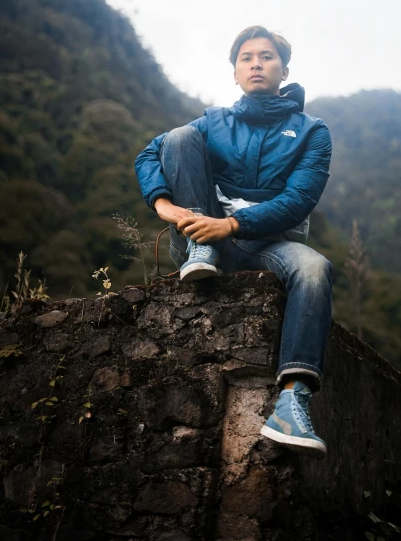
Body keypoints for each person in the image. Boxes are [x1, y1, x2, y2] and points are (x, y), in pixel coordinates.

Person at [135, 26, 333, 459]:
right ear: (235, 72)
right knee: (178, 137)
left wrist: (232, 225)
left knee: (315, 269)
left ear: (284, 69)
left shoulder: (311, 132)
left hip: (267, 245)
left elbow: (298, 200)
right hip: (200, 240)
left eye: (266, 57)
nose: (256, 63)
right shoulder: (214, 122)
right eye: (246, 57)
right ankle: (199, 253)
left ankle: (292, 403)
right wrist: (166, 207)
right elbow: (150, 154)